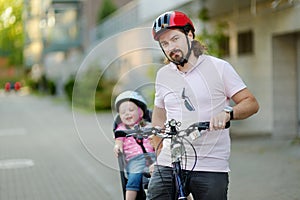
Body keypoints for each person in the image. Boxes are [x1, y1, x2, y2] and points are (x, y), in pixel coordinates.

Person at [147, 11, 259, 200]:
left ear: (190, 35)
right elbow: (159, 116)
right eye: (164, 44)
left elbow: (251, 103)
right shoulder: (164, 74)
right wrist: (157, 156)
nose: (170, 47)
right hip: (170, 160)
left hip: (210, 165)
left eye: (175, 39)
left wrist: (227, 113)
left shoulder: (219, 67)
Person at [113, 90, 155, 200]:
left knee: (168, 171)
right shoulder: (121, 129)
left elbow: (157, 137)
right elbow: (118, 140)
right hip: (134, 160)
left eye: (131, 110)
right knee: (134, 178)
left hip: (153, 156)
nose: (127, 113)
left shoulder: (147, 126)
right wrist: (117, 146)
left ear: (140, 112)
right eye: (123, 112)